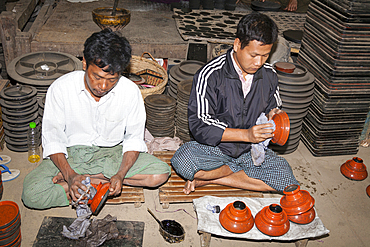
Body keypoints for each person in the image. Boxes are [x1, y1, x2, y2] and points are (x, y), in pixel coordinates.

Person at [22, 29, 171, 209]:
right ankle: (85, 181)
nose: (102, 86)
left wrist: (121, 175)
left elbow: (133, 139)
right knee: (32, 195)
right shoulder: (61, 88)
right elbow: (53, 139)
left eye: (111, 80)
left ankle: (86, 182)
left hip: (112, 153)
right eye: (97, 77)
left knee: (160, 174)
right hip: (71, 155)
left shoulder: (130, 92)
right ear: (84, 63)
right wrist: (69, 173)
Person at [171, 12, 299, 195]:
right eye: (254, 55)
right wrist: (246, 135)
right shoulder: (210, 75)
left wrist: (274, 115)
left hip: (250, 151)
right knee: (183, 161)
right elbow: (200, 125)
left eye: (265, 56)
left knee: (288, 181)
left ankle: (215, 178)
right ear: (238, 44)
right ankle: (235, 173)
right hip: (216, 150)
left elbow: (274, 105)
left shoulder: (269, 75)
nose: (258, 62)